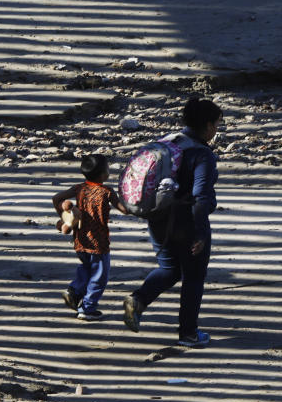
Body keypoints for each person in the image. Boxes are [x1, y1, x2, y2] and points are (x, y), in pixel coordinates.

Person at [123, 97, 222, 348]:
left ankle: (138, 300)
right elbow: (201, 196)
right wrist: (200, 233)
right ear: (208, 126)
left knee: (169, 268)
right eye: (217, 124)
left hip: (158, 217)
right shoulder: (202, 154)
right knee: (194, 276)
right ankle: (189, 333)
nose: (217, 130)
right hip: (187, 221)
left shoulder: (168, 142)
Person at [52, 154, 128, 321]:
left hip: (80, 239)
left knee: (87, 267)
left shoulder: (78, 188)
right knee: (100, 275)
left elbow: (56, 198)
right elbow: (124, 209)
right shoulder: (107, 192)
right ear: (103, 174)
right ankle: (88, 308)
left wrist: (64, 217)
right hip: (98, 242)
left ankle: (74, 291)